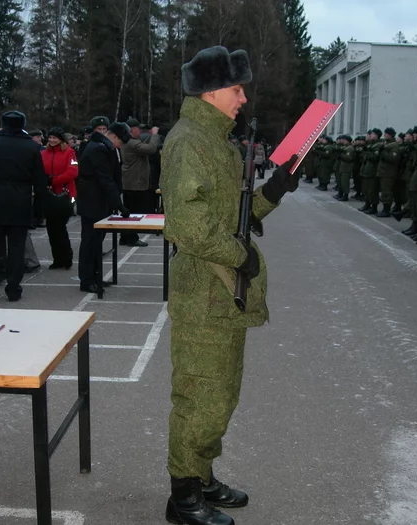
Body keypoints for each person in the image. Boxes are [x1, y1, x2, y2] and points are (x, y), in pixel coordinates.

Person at [160, 45, 299, 525]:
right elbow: (187, 223)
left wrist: (274, 191)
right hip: (204, 289)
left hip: (224, 292)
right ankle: (183, 497)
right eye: (237, 90)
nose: (243, 98)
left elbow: (234, 218)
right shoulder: (189, 141)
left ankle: (201, 476)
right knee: (199, 396)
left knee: (220, 394)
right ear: (213, 91)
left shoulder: (218, 141)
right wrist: (241, 257)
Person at [0, 111, 48, 304]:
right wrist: (39, 210)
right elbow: (40, 181)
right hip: (20, 201)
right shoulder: (31, 147)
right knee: (16, 247)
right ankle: (13, 288)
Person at [76, 120, 130, 293]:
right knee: (90, 242)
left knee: (96, 242)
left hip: (98, 201)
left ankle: (94, 277)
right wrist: (119, 205)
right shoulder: (99, 148)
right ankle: (87, 280)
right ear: (113, 136)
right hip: (93, 202)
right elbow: (105, 179)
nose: (119, 146)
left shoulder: (101, 146)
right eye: (119, 142)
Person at [120, 117, 161, 246]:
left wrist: (150, 137)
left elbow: (145, 146)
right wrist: (154, 135)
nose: (141, 131)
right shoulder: (132, 143)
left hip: (130, 181)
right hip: (134, 182)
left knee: (129, 210)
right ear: (132, 130)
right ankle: (131, 237)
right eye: (139, 129)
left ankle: (125, 236)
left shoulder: (130, 142)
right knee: (133, 212)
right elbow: (150, 149)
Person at [41, 127, 78, 269]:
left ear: (61, 139)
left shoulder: (70, 153)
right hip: (49, 195)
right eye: (50, 137)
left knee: (60, 227)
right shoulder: (43, 153)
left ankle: (66, 257)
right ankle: (57, 258)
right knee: (51, 228)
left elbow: (73, 172)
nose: (52, 140)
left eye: (55, 138)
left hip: (65, 194)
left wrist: (53, 180)